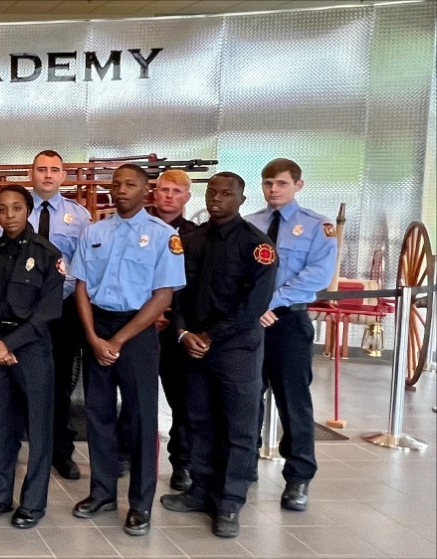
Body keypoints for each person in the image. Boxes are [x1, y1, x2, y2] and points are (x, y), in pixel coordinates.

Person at [69, 164, 185, 536]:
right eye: (116, 184)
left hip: (137, 331)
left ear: (145, 190)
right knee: (98, 415)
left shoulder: (164, 235)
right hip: (97, 326)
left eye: (130, 184)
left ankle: (140, 503)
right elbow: (81, 286)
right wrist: (93, 336)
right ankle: (102, 492)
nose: (120, 190)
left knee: (141, 419)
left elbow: (163, 295)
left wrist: (118, 341)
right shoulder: (95, 231)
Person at [161, 172, 277, 538]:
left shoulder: (257, 246)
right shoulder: (191, 240)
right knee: (199, 420)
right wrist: (183, 332)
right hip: (194, 348)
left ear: (241, 200)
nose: (217, 198)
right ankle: (199, 490)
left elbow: (253, 306)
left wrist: (209, 335)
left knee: (237, 428)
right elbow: (176, 292)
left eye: (226, 193)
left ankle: (229, 502)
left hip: (235, 349)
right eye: (212, 192)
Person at [243, 158, 336, 512]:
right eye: (268, 183)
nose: (273, 189)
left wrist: (271, 302)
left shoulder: (317, 226)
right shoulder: (250, 224)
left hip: (288, 322)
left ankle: (298, 477)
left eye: (281, 183)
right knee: (247, 396)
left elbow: (318, 274)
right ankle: (244, 464)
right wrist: (255, 307)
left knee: (293, 402)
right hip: (252, 321)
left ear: (298, 185)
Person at [0, 185, 65, 529]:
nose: (9, 215)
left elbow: (48, 311)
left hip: (31, 348)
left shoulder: (47, 254)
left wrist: (9, 344)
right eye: (2, 209)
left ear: (28, 210)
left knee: (38, 428)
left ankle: (33, 503)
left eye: (16, 208)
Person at [118, 169, 199, 490]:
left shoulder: (196, 235)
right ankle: (125, 452)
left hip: (178, 330)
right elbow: (125, 275)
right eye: (164, 190)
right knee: (134, 395)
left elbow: (193, 285)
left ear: (187, 197)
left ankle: (182, 462)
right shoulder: (135, 227)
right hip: (138, 324)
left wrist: (173, 316)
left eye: (176, 192)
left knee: (183, 399)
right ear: (154, 192)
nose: (169, 196)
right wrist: (148, 314)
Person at [24, 150, 92, 480]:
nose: (48, 175)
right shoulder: (18, 209)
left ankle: (61, 452)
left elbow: (84, 265)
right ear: (31, 174)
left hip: (64, 308)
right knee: (23, 382)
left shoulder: (80, 216)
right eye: (41, 169)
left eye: (54, 169)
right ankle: (23, 449)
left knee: (61, 382)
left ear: (63, 175)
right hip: (23, 309)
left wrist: (59, 295)